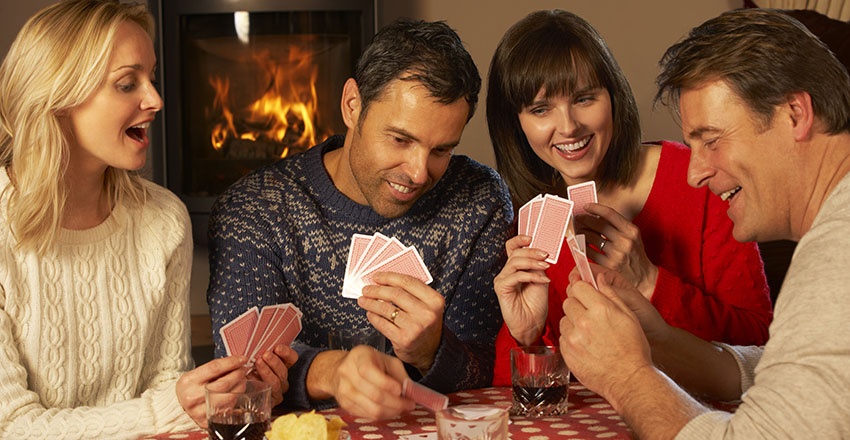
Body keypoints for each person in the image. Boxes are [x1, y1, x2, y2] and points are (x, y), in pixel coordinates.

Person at [0, 1, 296, 438]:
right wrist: (170, 409)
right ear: (57, 97)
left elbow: (167, 386)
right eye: (126, 83)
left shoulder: (164, 221)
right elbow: (10, 425)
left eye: (151, 78)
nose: (155, 100)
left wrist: (238, 392)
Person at [560, 8, 850, 438]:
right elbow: (784, 373)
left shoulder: (838, 253)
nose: (695, 173)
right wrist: (659, 341)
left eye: (711, 141)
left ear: (795, 113)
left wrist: (626, 375)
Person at [207, 18, 513, 420]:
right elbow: (243, 368)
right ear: (353, 105)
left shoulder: (479, 199)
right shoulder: (255, 209)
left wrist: (432, 350)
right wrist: (332, 373)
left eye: (441, 150)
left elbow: (486, 370)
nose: (419, 172)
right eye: (400, 139)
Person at [486, 9, 773, 385]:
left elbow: (761, 348)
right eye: (541, 109)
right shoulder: (530, 221)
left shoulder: (699, 178)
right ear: (516, 124)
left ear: (613, 96)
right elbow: (513, 403)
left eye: (585, 99)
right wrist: (525, 337)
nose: (569, 126)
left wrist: (649, 281)